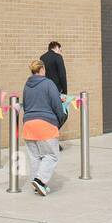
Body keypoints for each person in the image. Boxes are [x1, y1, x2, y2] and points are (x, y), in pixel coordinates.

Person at [22, 58, 66, 196]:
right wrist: (60, 120)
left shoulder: (26, 85)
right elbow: (56, 105)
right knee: (52, 155)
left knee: (35, 157)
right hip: (45, 124)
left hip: (28, 125)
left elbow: (26, 104)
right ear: (42, 69)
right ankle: (40, 181)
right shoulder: (48, 83)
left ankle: (37, 186)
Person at [40, 41, 69, 150]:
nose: (61, 52)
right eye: (60, 50)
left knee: (49, 116)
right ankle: (49, 138)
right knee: (63, 115)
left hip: (44, 90)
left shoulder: (42, 57)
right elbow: (62, 75)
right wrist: (65, 92)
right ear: (56, 47)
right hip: (56, 91)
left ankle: (48, 140)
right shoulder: (58, 57)